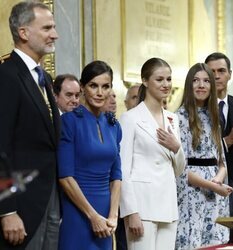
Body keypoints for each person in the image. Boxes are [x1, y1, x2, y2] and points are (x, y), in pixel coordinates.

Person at [0, 2, 60, 249]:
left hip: (49, 198)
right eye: (47, 28)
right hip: (22, 206)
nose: (55, 34)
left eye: (54, 27)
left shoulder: (42, 77)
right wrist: (7, 210)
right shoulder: (7, 76)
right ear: (23, 33)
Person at [119, 57, 185, 250]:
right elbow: (123, 169)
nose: (166, 85)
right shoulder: (130, 118)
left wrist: (176, 147)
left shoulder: (173, 119)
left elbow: (179, 170)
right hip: (142, 206)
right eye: (159, 79)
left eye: (168, 79)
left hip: (168, 205)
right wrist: (131, 212)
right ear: (145, 81)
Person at [57, 60, 122, 250]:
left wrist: (113, 216)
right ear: (83, 87)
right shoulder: (69, 122)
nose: (100, 92)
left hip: (107, 216)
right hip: (77, 212)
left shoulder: (113, 125)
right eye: (94, 86)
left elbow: (116, 175)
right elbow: (65, 177)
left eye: (105, 86)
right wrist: (92, 216)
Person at [175, 63, 233, 249]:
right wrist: (212, 186)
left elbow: (222, 162)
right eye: (196, 80)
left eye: (206, 81)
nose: (201, 85)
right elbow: (181, 168)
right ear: (188, 85)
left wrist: (217, 181)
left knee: (216, 243)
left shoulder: (214, 118)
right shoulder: (179, 117)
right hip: (191, 192)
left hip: (216, 193)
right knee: (192, 242)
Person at [205, 52, 233, 216]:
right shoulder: (197, 110)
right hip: (208, 182)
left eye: (221, 71)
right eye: (212, 72)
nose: (216, 76)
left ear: (230, 74)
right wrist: (228, 140)